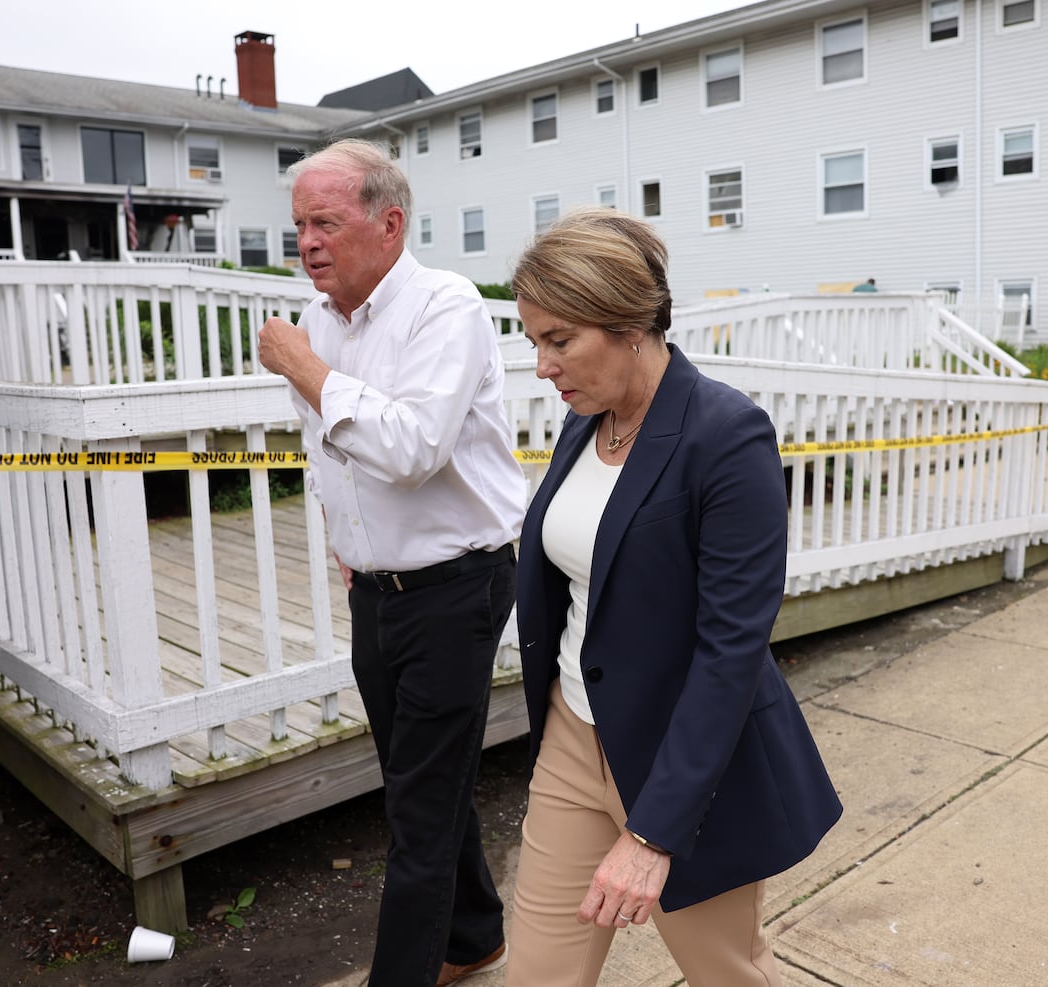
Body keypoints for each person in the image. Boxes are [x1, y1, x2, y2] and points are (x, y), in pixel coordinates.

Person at [507, 208, 843, 986]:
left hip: (682, 757)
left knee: (725, 971)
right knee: (537, 973)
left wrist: (653, 833)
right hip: (572, 732)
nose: (542, 364)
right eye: (534, 341)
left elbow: (733, 645)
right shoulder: (584, 422)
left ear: (629, 323)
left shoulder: (726, 433)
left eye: (559, 339)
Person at [256, 139, 523, 987]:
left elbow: (411, 447)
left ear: (389, 222)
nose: (308, 242)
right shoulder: (324, 316)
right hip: (377, 591)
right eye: (300, 225)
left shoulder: (446, 308)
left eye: (325, 221)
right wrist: (350, 542)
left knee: (416, 805)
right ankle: (475, 935)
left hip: (457, 583)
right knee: (422, 778)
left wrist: (302, 367)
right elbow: (333, 454)